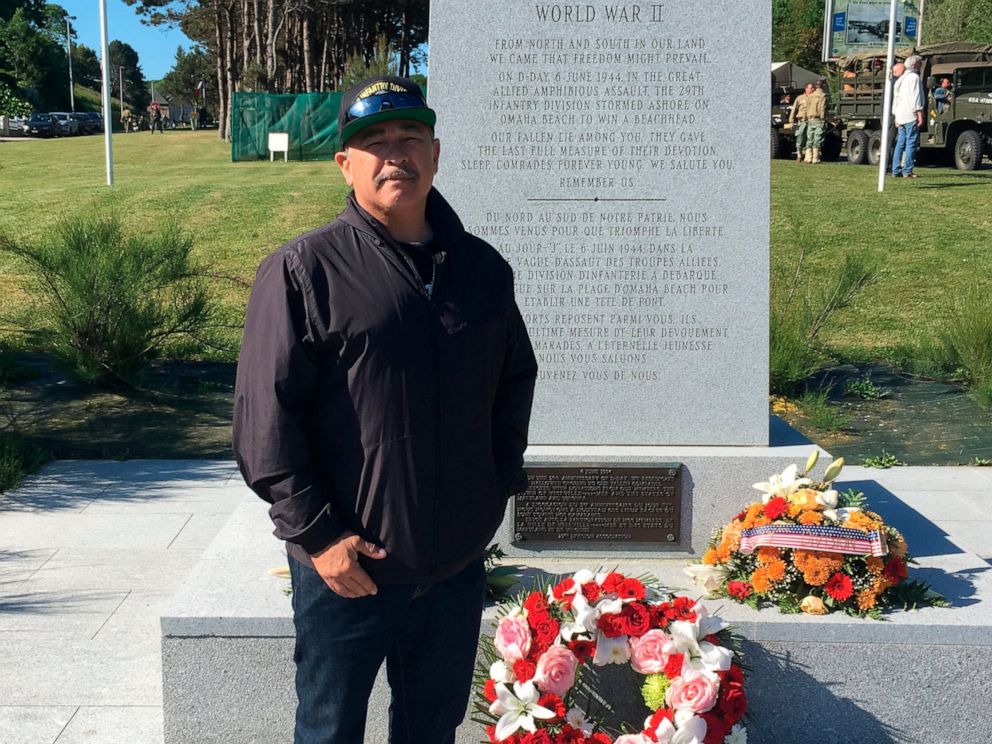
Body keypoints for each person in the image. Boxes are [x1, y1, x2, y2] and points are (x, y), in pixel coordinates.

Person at [232, 75, 538, 744]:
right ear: (345, 163)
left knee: (432, 728)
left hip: (453, 564)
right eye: (373, 142)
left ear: (435, 152)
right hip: (349, 566)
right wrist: (316, 536)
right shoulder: (302, 271)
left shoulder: (483, 270)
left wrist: (492, 486)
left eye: (410, 138)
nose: (395, 154)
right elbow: (266, 423)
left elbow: (514, 377)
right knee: (329, 729)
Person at [891, 54, 925, 178]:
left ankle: (895, 169)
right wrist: (919, 113)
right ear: (915, 65)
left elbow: (896, 98)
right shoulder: (914, 77)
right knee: (911, 142)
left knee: (900, 143)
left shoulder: (900, 79)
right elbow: (915, 97)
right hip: (910, 115)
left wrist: (896, 116)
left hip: (900, 115)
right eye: (920, 65)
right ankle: (907, 170)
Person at [788, 82, 814, 163]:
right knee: (800, 137)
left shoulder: (814, 98)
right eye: (811, 88)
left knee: (810, 139)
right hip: (802, 121)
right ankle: (799, 155)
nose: (812, 89)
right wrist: (791, 121)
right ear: (806, 89)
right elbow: (794, 110)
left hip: (811, 121)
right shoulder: (800, 98)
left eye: (813, 88)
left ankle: (807, 156)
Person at [805, 80, 827, 163]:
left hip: (810, 119)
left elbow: (807, 107)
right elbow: (822, 108)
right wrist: (823, 119)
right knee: (817, 138)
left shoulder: (811, 95)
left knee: (809, 138)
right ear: (823, 85)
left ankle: (808, 157)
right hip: (818, 119)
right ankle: (815, 158)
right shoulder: (822, 95)